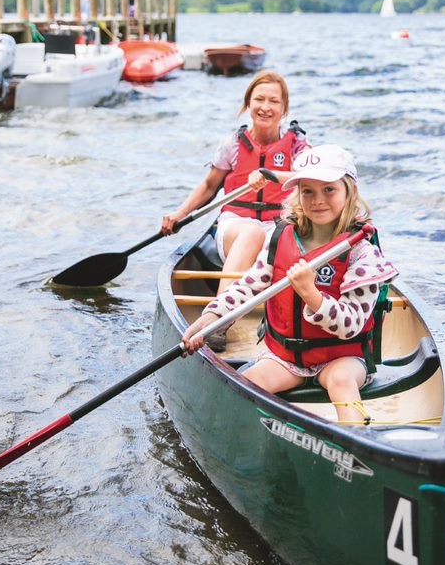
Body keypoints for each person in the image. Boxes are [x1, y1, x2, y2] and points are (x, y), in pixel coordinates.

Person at [181, 145, 396, 425]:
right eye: (308, 191)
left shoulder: (363, 253)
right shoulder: (280, 237)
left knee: (342, 380)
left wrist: (312, 295)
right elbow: (248, 285)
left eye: (329, 190)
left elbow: (352, 324)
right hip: (288, 359)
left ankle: (358, 443)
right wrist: (211, 316)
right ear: (297, 194)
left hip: (342, 358)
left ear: (349, 191)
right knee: (244, 385)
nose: (318, 200)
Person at [161, 71, 309, 347]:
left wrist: (272, 174)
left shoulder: (299, 147)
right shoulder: (232, 145)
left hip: (278, 226)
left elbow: (315, 179)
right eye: (259, 99)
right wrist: (179, 214)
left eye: (274, 101)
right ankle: (218, 322)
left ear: (284, 108)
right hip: (235, 225)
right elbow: (208, 186)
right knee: (252, 233)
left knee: (285, 240)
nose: (265, 107)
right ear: (248, 104)